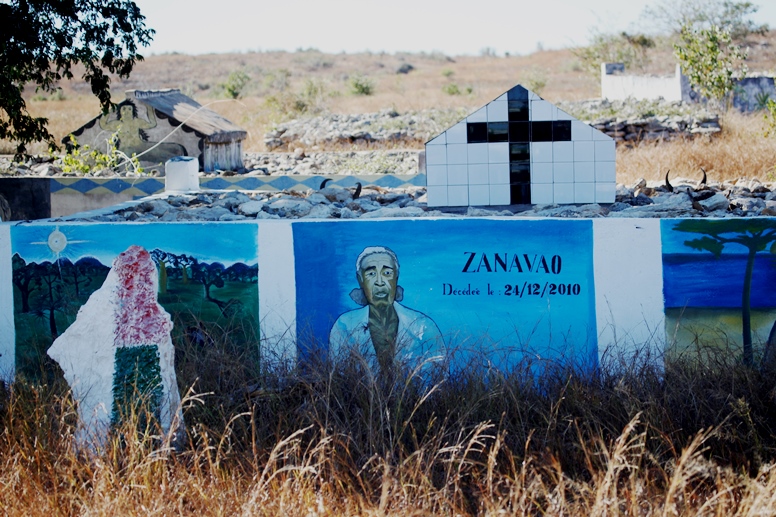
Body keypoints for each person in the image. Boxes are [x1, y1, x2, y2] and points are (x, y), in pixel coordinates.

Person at [328, 246, 445, 381]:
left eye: (387, 273)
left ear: (396, 277)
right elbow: (339, 380)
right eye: (371, 274)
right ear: (360, 280)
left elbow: (439, 378)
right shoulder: (344, 326)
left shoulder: (423, 326)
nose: (379, 282)